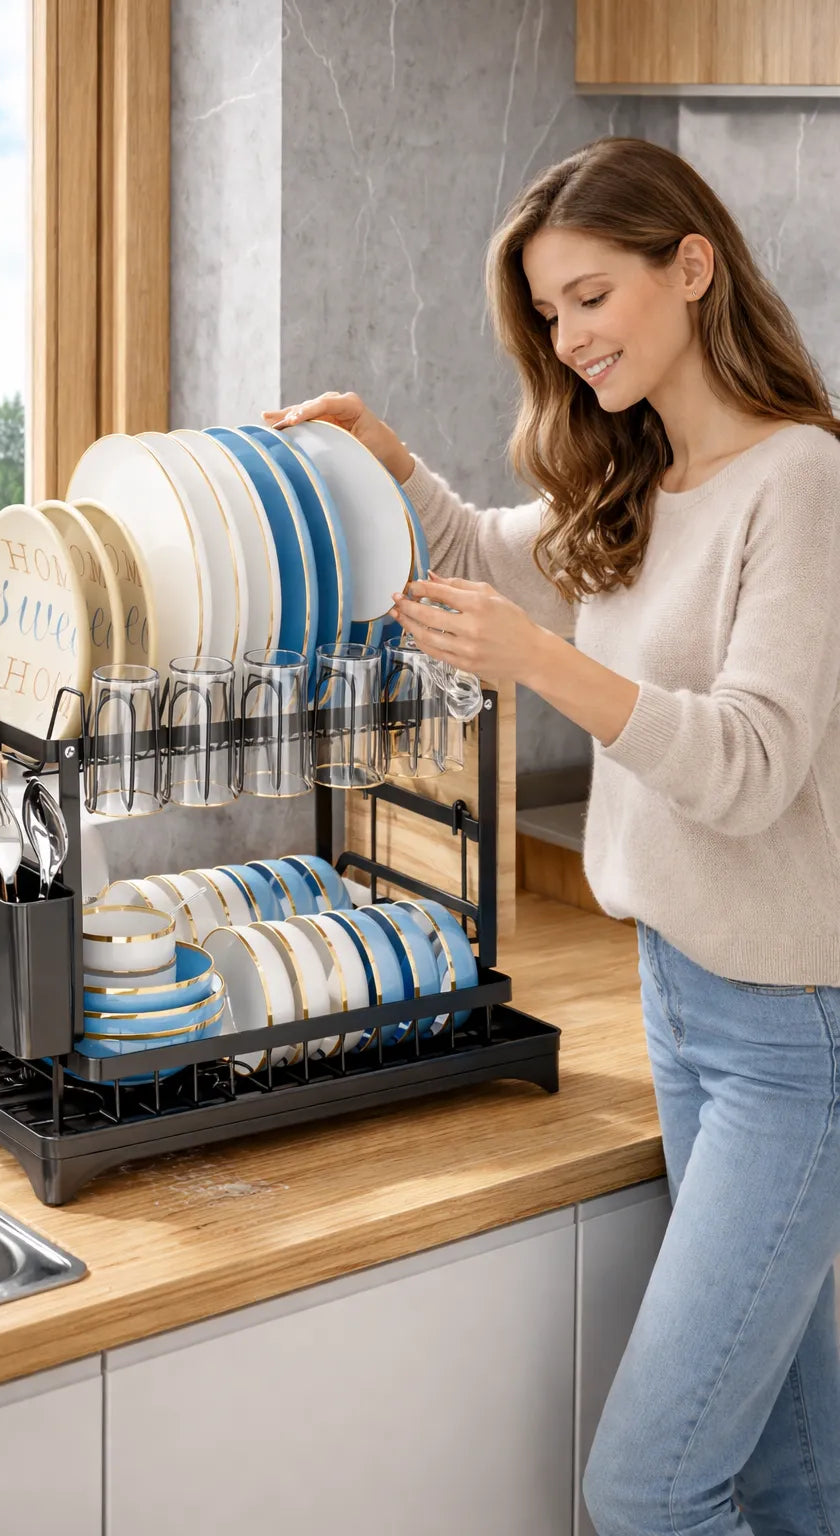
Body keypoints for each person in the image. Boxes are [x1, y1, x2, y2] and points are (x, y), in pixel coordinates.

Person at [264, 135, 840, 1536]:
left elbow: (754, 764)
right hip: (683, 1000)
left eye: (591, 296)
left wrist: (540, 663)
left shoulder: (802, 483)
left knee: (649, 1490)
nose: (570, 339)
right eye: (549, 314)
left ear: (691, 266)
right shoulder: (640, 479)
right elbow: (487, 559)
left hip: (790, 1029)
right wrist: (390, 462)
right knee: (790, 1470)